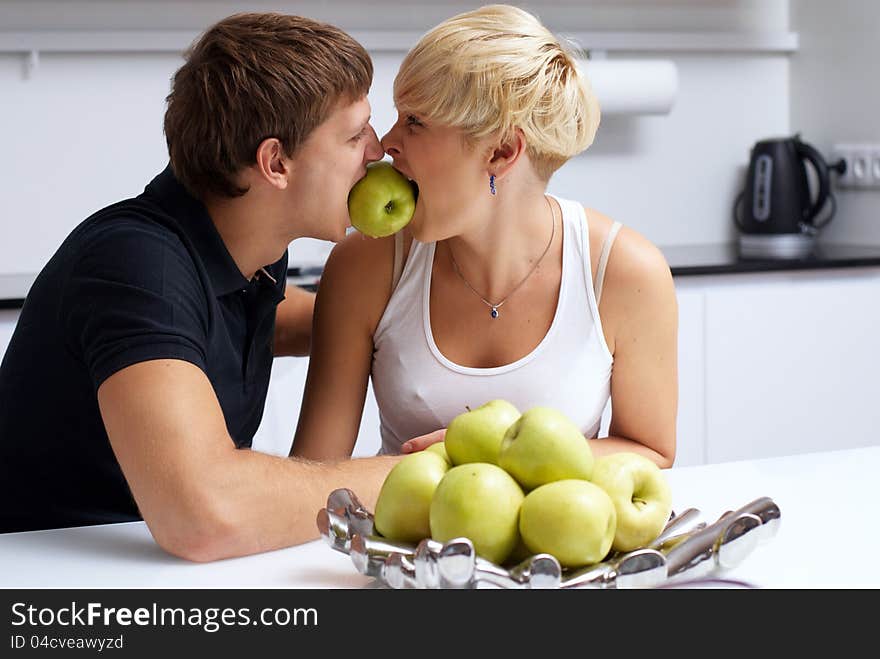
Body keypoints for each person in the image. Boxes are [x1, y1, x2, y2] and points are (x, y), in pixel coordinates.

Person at [0, 13, 404, 559]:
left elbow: (252, 322)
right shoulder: (136, 265)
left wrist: (402, 316)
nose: (377, 150)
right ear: (275, 163)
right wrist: (414, 471)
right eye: (355, 134)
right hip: (55, 577)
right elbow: (205, 515)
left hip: (148, 570)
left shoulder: (246, 247)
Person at [291, 4, 678, 468]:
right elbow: (313, 471)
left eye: (415, 122)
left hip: (551, 541)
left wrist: (489, 452)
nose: (385, 143)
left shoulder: (624, 272)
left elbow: (649, 450)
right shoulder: (367, 264)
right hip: (407, 539)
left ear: (501, 152)